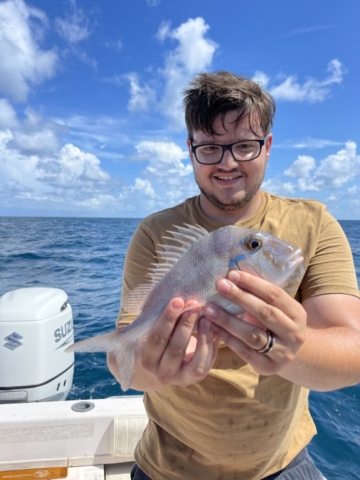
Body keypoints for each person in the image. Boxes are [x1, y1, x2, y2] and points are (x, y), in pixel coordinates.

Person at [108, 71, 360, 480]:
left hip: (282, 463)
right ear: (191, 150)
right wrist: (157, 368)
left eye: (244, 145)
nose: (228, 163)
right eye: (210, 148)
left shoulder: (314, 223)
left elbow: (353, 352)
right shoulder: (155, 233)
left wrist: (294, 348)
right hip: (166, 469)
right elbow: (125, 366)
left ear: (267, 147)